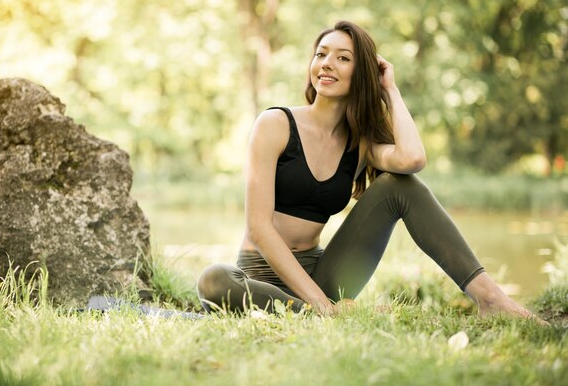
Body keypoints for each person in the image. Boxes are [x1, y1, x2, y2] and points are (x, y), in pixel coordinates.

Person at [196, 20, 537, 319]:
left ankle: (489, 296)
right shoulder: (275, 124)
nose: (327, 64)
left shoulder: (359, 144)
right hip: (259, 278)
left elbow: (412, 159)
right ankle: (315, 312)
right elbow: (258, 228)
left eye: (343, 58)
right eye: (321, 54)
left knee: (401, 185)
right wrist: (320, 303)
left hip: (322, 274)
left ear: (362, 75)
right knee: (214, 280)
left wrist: (390, 89)